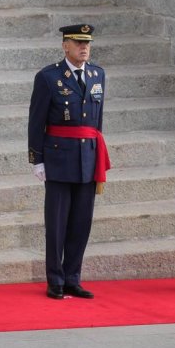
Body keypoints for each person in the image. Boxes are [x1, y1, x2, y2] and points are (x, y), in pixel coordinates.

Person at [28, 24, 109, 299]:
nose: (84, 47)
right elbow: (36, 121)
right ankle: (55, 279)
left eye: (87, 43)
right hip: (59, 158)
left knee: (81, 223)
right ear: (65, 46)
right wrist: (37, 160)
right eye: (77, 43)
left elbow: (98, 121)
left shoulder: (98, 74)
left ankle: (73, 276)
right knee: (57, 223)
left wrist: (97, 155)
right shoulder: (49, 77)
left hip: (87, 159)